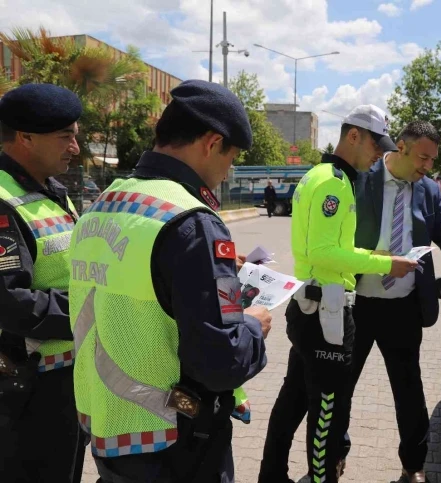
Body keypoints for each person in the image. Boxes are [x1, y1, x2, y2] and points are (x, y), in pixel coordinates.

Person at [68, 80, 271, 483]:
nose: (228, 172)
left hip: (111, 427)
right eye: (231, 158)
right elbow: (221, 360)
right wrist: (254, 325)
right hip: (174, 440)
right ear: (212, 143)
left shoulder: (104, 204)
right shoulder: (193, 223)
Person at [258, 104, 419, 483]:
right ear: (353, 136)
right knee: (326, 411)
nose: (381, 153)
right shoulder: (334, 183)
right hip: (326, 312)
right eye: (376, 144)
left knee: (292, 400)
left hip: (311, 305)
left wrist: (373, 256)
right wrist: (383, 264)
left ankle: (271, 475)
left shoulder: (317, 174)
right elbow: (323, 252)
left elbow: (325, 247)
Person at [352, 121, 441, 483]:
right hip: (355, 305)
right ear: (402, 146)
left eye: (432, 160)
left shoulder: (427, 190)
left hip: (403, 307)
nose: (428, 166)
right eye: (423, 157)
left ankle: (413, 465)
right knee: (340, 387)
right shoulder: (361, 178)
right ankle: (335, 456)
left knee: (409, 392)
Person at [0, 83, 86, 483]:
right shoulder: (3, 199)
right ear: (25, 138)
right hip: (27, 390)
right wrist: (93, 309)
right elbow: (10, 302)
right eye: (65, 136)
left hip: (66, 380)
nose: (76, 148)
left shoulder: (54, 193)